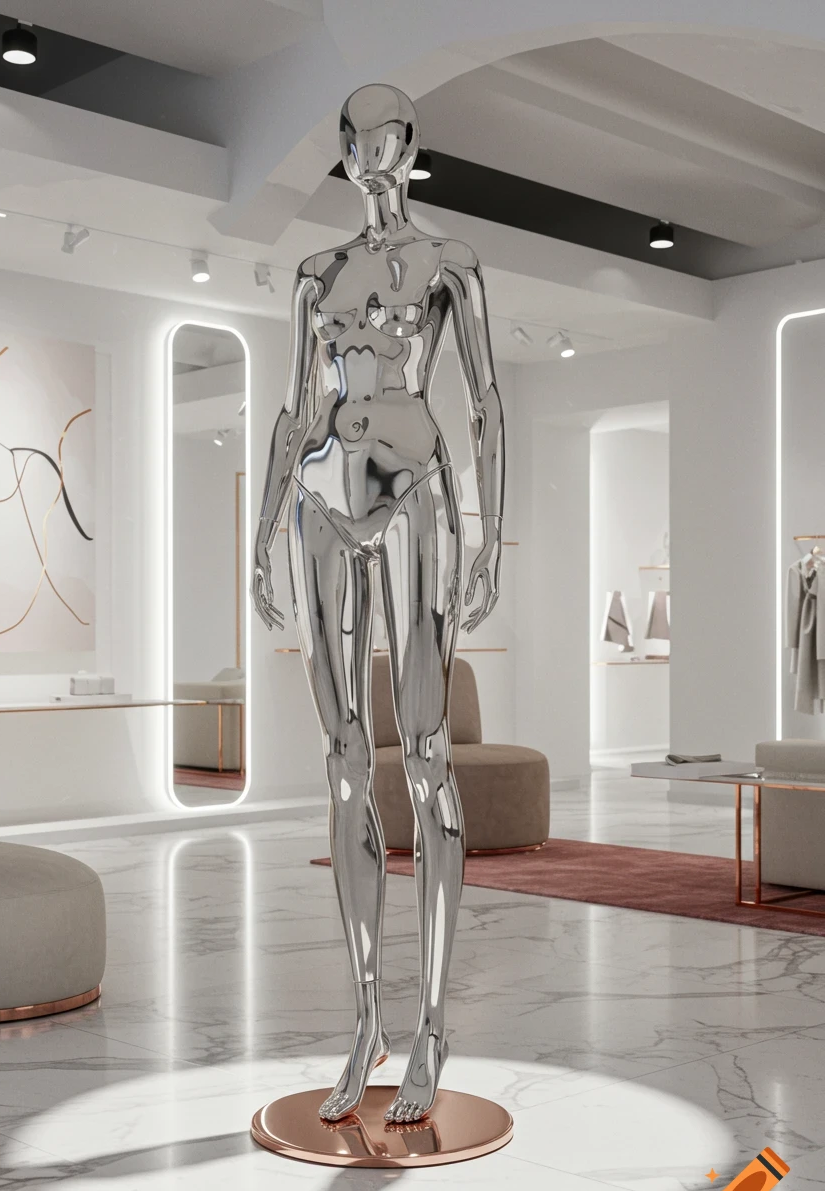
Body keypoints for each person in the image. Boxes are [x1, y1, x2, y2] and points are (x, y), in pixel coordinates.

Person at [251, 83, 505, 1123]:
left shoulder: (449, 265)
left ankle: (434, 1021)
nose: (370, 151)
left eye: (385, 134)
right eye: (354, 139)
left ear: (409, 148)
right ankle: (364, 1016)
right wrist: (262, 530)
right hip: (321, 489)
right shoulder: (316, 276)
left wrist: (485, 532)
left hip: (414, 480)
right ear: (346, 155)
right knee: (346, 761)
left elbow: (484, 398)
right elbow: (292, 407)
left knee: (427, 752)